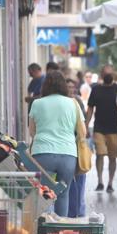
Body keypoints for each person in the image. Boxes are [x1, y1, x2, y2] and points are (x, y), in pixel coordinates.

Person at [29, 71, 86, 217]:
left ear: (45, 85)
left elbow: (32, 132)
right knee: (63, 194)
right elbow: (83, 132)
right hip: (68, 155)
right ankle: (60, 229)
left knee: (44, 194)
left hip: (42, 154)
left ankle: (43, 230)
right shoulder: (73, 103)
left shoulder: (37, 103)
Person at [86, 72, 117, 193]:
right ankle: (100, 181)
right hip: (99, 127)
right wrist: (86, 125)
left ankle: (110, 183)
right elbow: (90, 107)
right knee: (99, 154)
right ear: (102, 75)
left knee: (113, 156)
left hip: (114, 127)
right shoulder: (96, 89)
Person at [66, 78, 88, 218]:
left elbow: (82, 124)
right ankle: (70, 210)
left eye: (72, 87)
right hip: (66, 145)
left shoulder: (77, 101)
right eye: (68, 87)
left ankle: (79, 209)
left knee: (79, 178)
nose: (70, 89)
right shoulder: (61, 102)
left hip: (76, 144)